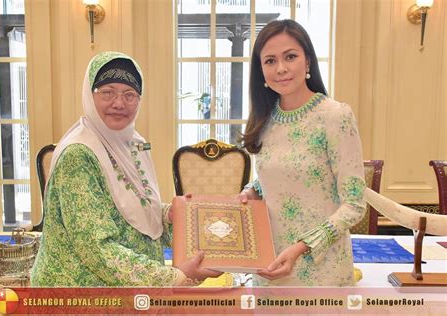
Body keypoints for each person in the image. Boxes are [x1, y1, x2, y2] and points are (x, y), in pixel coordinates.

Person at [31, 51, 221, 287]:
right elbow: (96, 248)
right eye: (107, 92)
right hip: (82, 297)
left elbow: (127, 206)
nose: (119, 103)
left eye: (129, 95)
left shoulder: (132, 144)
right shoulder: (79, 155)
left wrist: (167, 215)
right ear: (90, 95)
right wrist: (172, 277)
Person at [239, 20, 366, 286]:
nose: (281, 68)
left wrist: (302, 246)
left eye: (291, 57)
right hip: (269, 266)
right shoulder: (264, 120)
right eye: (270, 61)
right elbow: (277, 177)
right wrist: (252, 190)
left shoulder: (335, 116)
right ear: (260, 70)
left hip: (322, 269)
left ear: (307, 62)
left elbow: (354, 204)